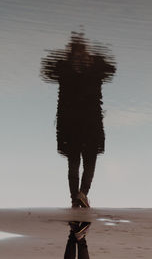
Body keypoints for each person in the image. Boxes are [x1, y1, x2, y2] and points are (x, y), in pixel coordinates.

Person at [41, 32, 116, 207]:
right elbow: (111, 69)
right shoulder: (94, 70)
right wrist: (95, 56)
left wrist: (64, 56)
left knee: (73, 163)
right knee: (89, 162)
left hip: (69, 124)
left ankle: (76, 198)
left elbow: (47, 70)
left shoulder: (65, 69)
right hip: (91, 123)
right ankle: (82, 194)